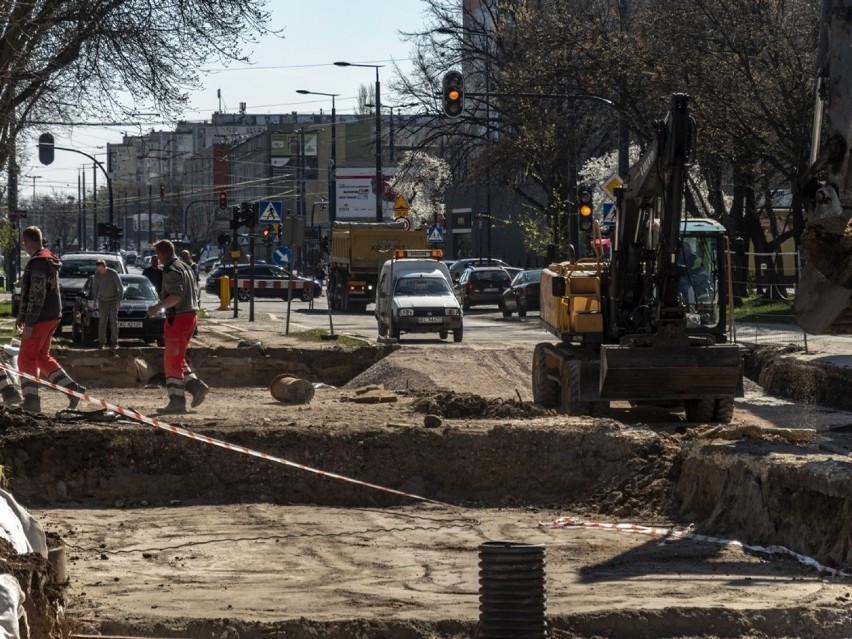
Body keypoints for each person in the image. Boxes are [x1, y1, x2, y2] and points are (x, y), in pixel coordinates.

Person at [15, 226, 86, 414]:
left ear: (27, 241)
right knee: (41, 357)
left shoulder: (38, 263)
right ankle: (73, 390)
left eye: (24, 243)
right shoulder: (49, 259)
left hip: (40, 318)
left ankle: (31, 401)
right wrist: (22, 315)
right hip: (53, 315)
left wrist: (29, 321)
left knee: (26, 358)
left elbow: (37, 295)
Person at [147, 239, 209, 414]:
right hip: (190, 317)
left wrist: (156, 307)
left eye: (157, 255)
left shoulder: (171, 270)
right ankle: (196, 387)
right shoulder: (184, 266)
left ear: (163, 254)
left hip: (179, 318)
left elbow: (175, 295)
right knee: (178, 358)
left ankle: (177, 401)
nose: (157, 259)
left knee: (171, 361)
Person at [92, 259, 123, 349]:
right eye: (98, 269)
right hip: (103, 301)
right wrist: (95, 301)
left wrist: (119, 300)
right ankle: (101, 341)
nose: (99, 271)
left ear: (104, 267)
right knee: (102, 322)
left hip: (113, 300)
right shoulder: (97, 275)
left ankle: (114, 342)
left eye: (101, 269)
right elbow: (96, 289)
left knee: (113, 321)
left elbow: (120, 287)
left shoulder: (112, 273)